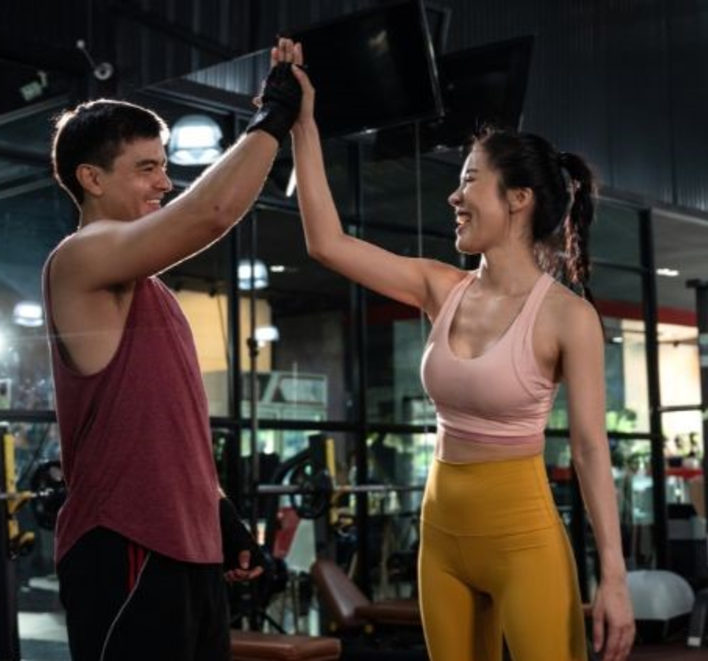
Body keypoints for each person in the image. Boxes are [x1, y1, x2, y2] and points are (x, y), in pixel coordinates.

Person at [286, 48, 635, 661]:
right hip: (440, 535)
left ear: (519, 198)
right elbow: (326, 242)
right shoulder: (438, 287)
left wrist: (613, 578)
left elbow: (588, 448)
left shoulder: (567, 316)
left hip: (523, 540)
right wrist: (302, 122)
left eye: (470, 179)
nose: (455, 196)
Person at [43, 40, 303, 661]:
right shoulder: (79, 259)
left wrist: (219, 510)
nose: (165, 181)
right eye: (146, 169)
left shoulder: (151, 289)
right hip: (123, 542)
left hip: (186, 547)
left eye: (164, 165)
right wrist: (272, 116)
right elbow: (210, 212)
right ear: (92, 178)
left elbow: (168, 427)